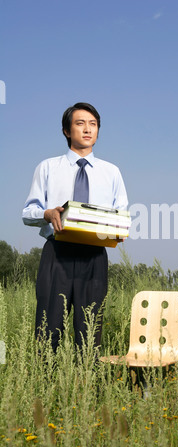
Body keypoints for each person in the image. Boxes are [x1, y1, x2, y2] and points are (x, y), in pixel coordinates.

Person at [22, 102, 128, 352]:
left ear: (98, 131)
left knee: (90, 331)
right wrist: (47, 213)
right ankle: (44, 386)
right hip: (57, 254)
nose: (87, 129)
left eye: (93, 124)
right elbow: (27, 213)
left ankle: (87, 386)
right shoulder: (47, 167)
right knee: (48, 329)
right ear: (67, 131)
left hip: (94, 256)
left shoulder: (111, 172)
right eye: (80, 123)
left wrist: (120, 230)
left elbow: (122, 213)